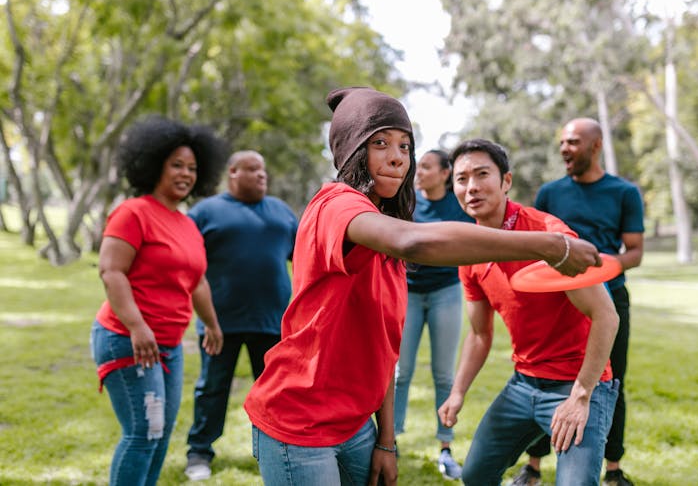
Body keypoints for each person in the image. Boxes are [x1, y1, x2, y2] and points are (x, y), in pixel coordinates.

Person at [243, 86, 603, 486]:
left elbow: (383, 346)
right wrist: (548, 246)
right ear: (351, 150)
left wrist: (385, 440)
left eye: (404, 145)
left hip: (357, 425)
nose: (397, 156)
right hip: (300, 421)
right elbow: (414, 241)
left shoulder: (384, 239)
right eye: (379, 143)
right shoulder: (335, 205)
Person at [437, 138, 621, 486]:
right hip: (524, 383)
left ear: (506, 181)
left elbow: (606, 315)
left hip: (578, 384)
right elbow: (479, 333)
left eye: (482, 174)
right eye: (461, 179)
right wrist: (458, 392)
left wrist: (580, 396)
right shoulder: (470, 252)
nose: (472, 186)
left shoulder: (549, 237)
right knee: (475, 476)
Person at [91, 115, 227, 486]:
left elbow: (196, 280)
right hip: (127, 337)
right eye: (176, 165)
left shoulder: (186, 224)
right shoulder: (133, 213)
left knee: (161, 432)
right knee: (143, 431)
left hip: (167, 344)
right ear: (154, 165)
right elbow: (111, 272)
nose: (185, 174)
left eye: (192, 168)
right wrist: (137, 327)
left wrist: (212, 324)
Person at [515, 118, 644, 486]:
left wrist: (598, 270)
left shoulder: (624, 192)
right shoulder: (550, 193)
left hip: (609, 298)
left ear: (596, 145)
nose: (564, 149)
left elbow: (634, 251)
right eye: (562, 143)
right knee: (547, 379)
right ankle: (534, 466)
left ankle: (613, 469)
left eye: (572, 142)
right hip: (556, 303)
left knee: (612, 381)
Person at [183, 150, 298, 481]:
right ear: (232, 172)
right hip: (219, 324)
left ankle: (277, 451)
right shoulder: (205, 213)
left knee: (275, 393)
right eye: (252, 169)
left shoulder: (281, 212)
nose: (261, 175)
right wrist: (206, 320)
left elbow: (304, 260)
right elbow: (189, 268)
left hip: (273, 322)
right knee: (212, 389)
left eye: (263, 170)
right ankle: (199, 452)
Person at [394, 148, 474, 480]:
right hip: (408, 292)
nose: (419, 172)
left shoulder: (459, 205)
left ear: (445, 173)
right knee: (401, 371)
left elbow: (472, 241)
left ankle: (445, 448)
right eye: (419, 167)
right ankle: (390, 442)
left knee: (444, 375)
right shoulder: (406, 200)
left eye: (426, 167)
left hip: (446, 293)